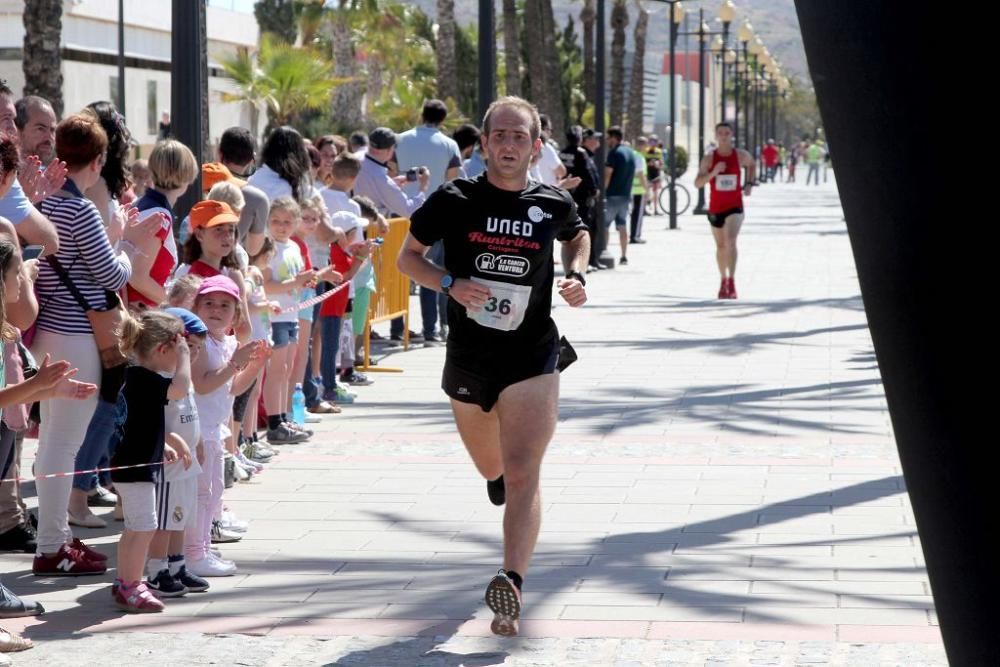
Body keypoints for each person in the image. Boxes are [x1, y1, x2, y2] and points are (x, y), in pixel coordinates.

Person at [397, 96, 590, 637]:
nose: (509, 145)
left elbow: (577, 234)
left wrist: (578, 273)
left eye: (519, 137)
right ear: (484, 144)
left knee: (527, 469)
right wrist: (449, 283)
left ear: (535, 145)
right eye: (499, 136)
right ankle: (497, 477)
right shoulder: (454, 198)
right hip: (469, 356)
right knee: (494, 468)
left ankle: (512, 584)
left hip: (533, 355)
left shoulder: (550, 203)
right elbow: (406, 258)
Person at [110, 309, 192, 613]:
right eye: (177, 350)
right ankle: (132, 585)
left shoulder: (135, 377)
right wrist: (184, 358)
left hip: (132, 463)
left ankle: (124, 583)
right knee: (144, 527)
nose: (180, 359)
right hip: (136, 468)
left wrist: (165, 443)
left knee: (135, 528)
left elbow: (143, 421)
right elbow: (181, 389)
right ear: (163, 349)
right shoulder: (146, 378)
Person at [693, 121, 755, 299]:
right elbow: (697, 183)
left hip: (735, 205)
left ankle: (733, 281)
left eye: (727, 133)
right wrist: (713, 173)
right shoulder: (709, 158)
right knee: (720, 246)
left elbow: (752, 164)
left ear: (731, 135)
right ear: (716, 135)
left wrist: (749, 184)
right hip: (715, 207)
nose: (724, 136)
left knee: (731, 241)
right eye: (720, 133)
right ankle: (723, 280)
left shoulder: (740, 155)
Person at [603, 126, 636, 266]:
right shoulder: (630, 152)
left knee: (604, 225)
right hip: (626, 195)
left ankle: (603, 251)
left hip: (612, 195)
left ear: (615, 138)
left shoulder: (613, 153)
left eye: (608, 137)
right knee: (622, 225)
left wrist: (603, 191)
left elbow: (608, 173)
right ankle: (623, 256)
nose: (607, 140)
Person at [630, 136, 649, 244]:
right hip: (639, 190)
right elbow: (641, 174)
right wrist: (646, 189)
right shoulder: (639, 157)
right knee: (638, 214)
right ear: (642, 145)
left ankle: (634, 235)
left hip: (633, 189)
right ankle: (635, 236)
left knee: (634, 214)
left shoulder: (634, 155)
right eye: (645, 145)